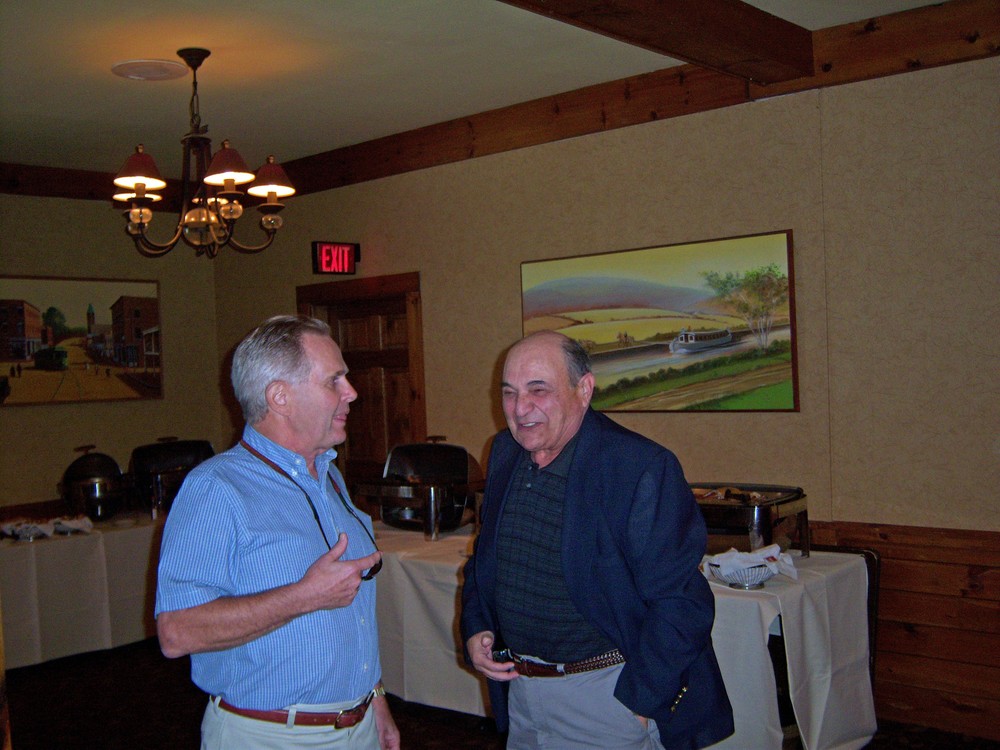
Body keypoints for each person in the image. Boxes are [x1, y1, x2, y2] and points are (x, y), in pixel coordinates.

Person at [461, 331, 734, 749]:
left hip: (605, 697)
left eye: (538, 390)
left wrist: (639, 700)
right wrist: (477, 625)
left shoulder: (638, 467)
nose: (520, 408)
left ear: (584, 389)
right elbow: (487, 557)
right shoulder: (504, 452)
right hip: (522, 692)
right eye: (509, 393)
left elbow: (683, 604)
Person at [155, 315, 400, 750]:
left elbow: (351, 615)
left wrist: (375, 699)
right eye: (334, 380)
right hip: (270, 736)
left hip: (358, 724)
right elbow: (176, 631)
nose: (351, 392)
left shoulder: (329, 476)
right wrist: (303, 596)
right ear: (280, 397)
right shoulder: (216, 489)